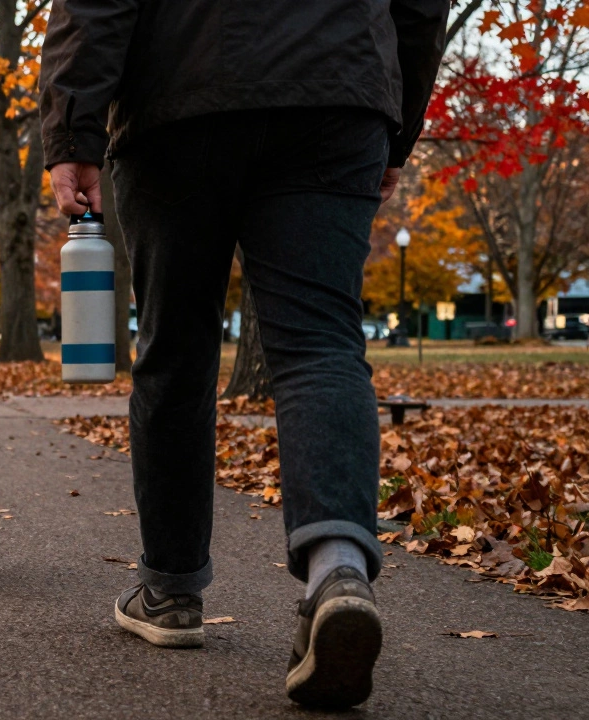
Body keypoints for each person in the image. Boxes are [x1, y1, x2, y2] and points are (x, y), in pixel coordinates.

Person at [39, 0, 448, 710]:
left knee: (174, 349)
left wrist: (73, 127)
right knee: (321, 340)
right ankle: (338, 574)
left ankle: (169, 591)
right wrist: (397, 120)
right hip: (335, 87)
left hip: (178, 96)